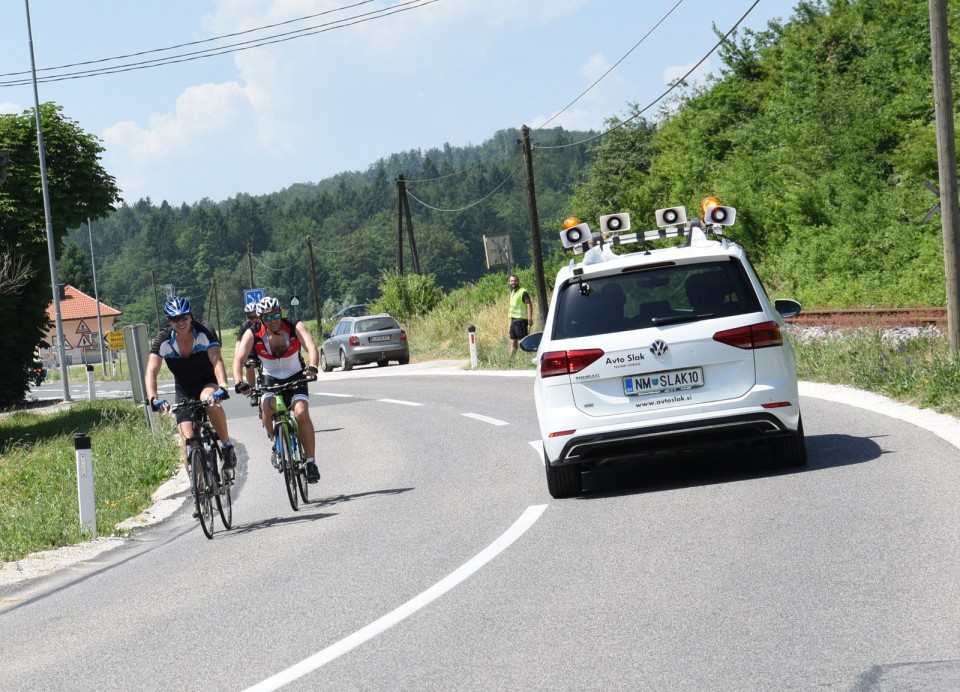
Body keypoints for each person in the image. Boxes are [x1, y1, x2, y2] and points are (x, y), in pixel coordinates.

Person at [232, 296, 322, 483]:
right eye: (267, 317)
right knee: (266, 407)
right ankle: (275, 442)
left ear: (281, 312)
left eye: (276, 315)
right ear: (260, 318)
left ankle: (311, 462)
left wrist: (312, 366)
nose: (273, 320)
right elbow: (238, 359)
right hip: (270, 377)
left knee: (301, 413)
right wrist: (239, 381)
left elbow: (311, 346)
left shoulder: (294, 325)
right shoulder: (253, 333)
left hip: (296, 374)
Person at [144, 296, 236, 477]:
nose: (180, 322)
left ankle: (226, 446)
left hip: (207, 381)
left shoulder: (204, 330)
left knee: (208, 401)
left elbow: (216, 359)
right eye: (175, 319)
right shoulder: (163, 339)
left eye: (184, 317)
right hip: (184, 388)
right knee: (187, 439)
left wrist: (223, 386)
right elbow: (151, 372)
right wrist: (153, 399)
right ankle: (198, 489)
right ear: (169, 321)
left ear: (191, 317)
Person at [236, 301, 262, 407]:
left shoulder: (265, 323)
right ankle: (252, 393)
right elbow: (238, 344)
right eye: (250, 317)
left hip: (264, 351)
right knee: (249, 366)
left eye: (255, 316)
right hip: (251, 352)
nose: (253, 320)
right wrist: (239, 358)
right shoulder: (245, 326)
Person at [507, 274, 534, 358]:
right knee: (512, 341)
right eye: (511, 281)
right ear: (509, 282)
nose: (513, 282)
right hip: (514, 320)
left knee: (523, 341)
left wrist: (529, 318)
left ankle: (528, 359)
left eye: (515, 281)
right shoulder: (513, 292)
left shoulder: (523, 292)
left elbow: (529, 305)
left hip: (521, 321)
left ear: (518, 281)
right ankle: (510, 361)